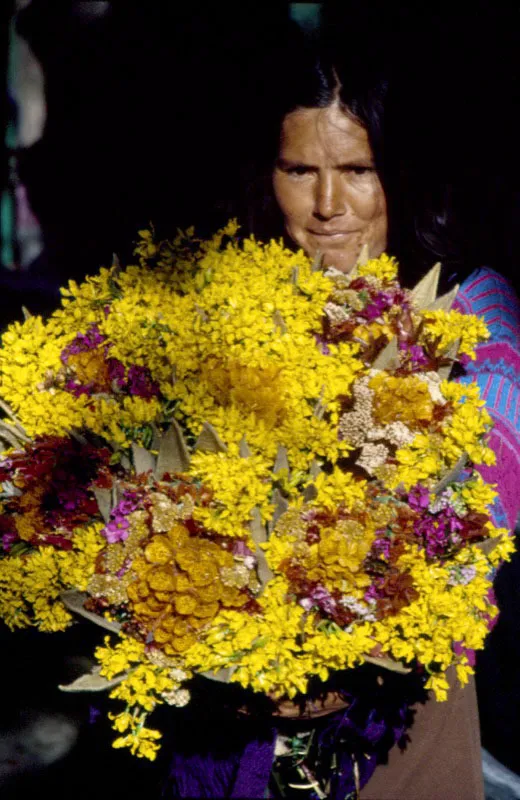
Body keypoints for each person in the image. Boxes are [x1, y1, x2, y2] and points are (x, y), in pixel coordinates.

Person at [161, 37, 520, 800]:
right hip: (232, 724)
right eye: (300, 171)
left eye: (357, 170)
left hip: (403, 719)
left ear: (402, 172)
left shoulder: (476, 311)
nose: (329, 207)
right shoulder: (223, 304)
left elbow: (488, 519)